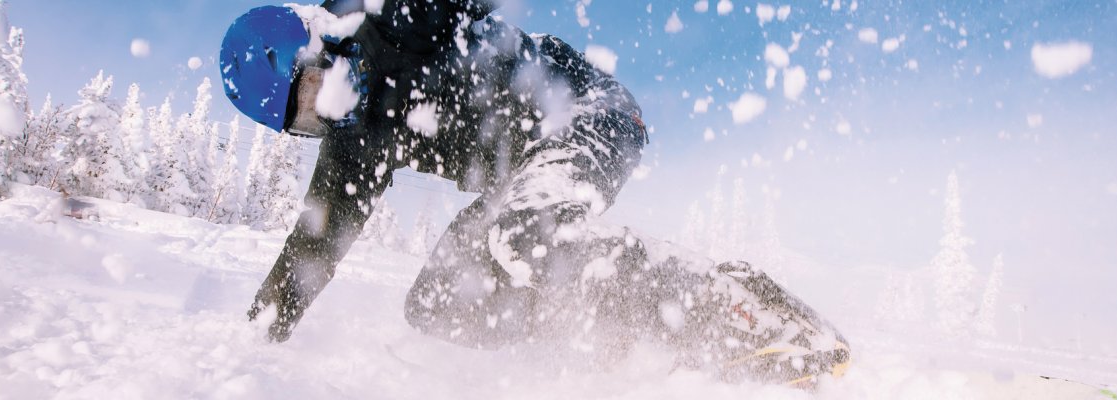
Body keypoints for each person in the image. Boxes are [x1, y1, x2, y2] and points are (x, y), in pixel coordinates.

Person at [219, 0, 849, 387]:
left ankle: (737, 311)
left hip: (585, 115)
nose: (319, 116)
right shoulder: (354, 137)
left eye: (306, 94)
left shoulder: (393, 15)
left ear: (315, 47)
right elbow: (310, 251)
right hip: (515, 177)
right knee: (437, 303)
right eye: (301, 122)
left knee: (524, 234)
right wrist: (246, 352)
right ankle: (611, 338)